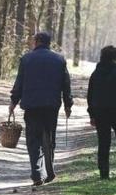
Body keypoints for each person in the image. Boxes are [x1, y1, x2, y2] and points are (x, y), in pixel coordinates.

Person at [10, 32, 74, 186]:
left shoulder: (26, 59)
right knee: (50, 138)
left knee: (33, 140)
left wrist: (13, 101)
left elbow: (19, 83)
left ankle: (37, 174)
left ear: (37, 41)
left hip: (32, 106)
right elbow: (66, 84)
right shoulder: (59, 60)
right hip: (51, 105)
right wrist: (67, 104)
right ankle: (50, 171)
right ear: (48, 43)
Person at [87, 45, 116, 179]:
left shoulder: (95, 74)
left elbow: (90, 96)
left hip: (100, 113)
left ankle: (104, 173)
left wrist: (92, 114)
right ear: (115, 58)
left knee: (103, 142)